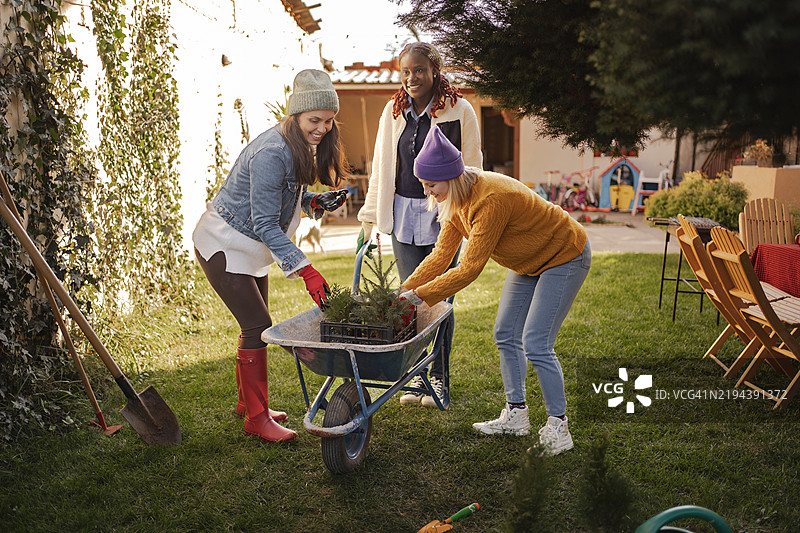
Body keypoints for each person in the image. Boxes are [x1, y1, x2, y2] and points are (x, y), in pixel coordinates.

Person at [399, 126, 591, 455]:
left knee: (536, 342)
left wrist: (418, 298)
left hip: (564, 254)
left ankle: (559, 427)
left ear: (450, 175)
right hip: (530, 261)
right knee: (505, 332)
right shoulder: (456, 200)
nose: (428, 192)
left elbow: (469, 268)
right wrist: (402, 291)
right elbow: (442, 256)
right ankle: (517, 415)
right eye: (423, 184)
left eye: (431, 184)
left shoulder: (490, 199)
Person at [192, 69, 349, 442]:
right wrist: (306, 270)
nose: (323, 128)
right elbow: (264, 222)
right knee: (257, 328)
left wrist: (312, 200)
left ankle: (250, 404)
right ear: (295, 115)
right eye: (315, 120)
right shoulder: (272, 152)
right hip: (225, 245)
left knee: (257, 326)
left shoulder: (295, 144)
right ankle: (257, 419)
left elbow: (278, 198)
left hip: (246, 246)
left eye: (328, 121)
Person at [357, 42, 482, 408]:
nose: (412, 78)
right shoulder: (393, 112)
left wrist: (470, 215)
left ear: (435, 71)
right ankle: (415, 380)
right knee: (411, 298)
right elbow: (382, 166)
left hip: (446, 214)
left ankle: (440, 378)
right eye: (406, 72)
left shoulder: (460, 111)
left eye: (419, 70)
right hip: (403, 214)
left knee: (440, 300)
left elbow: (473, 167)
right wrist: (369, 217)